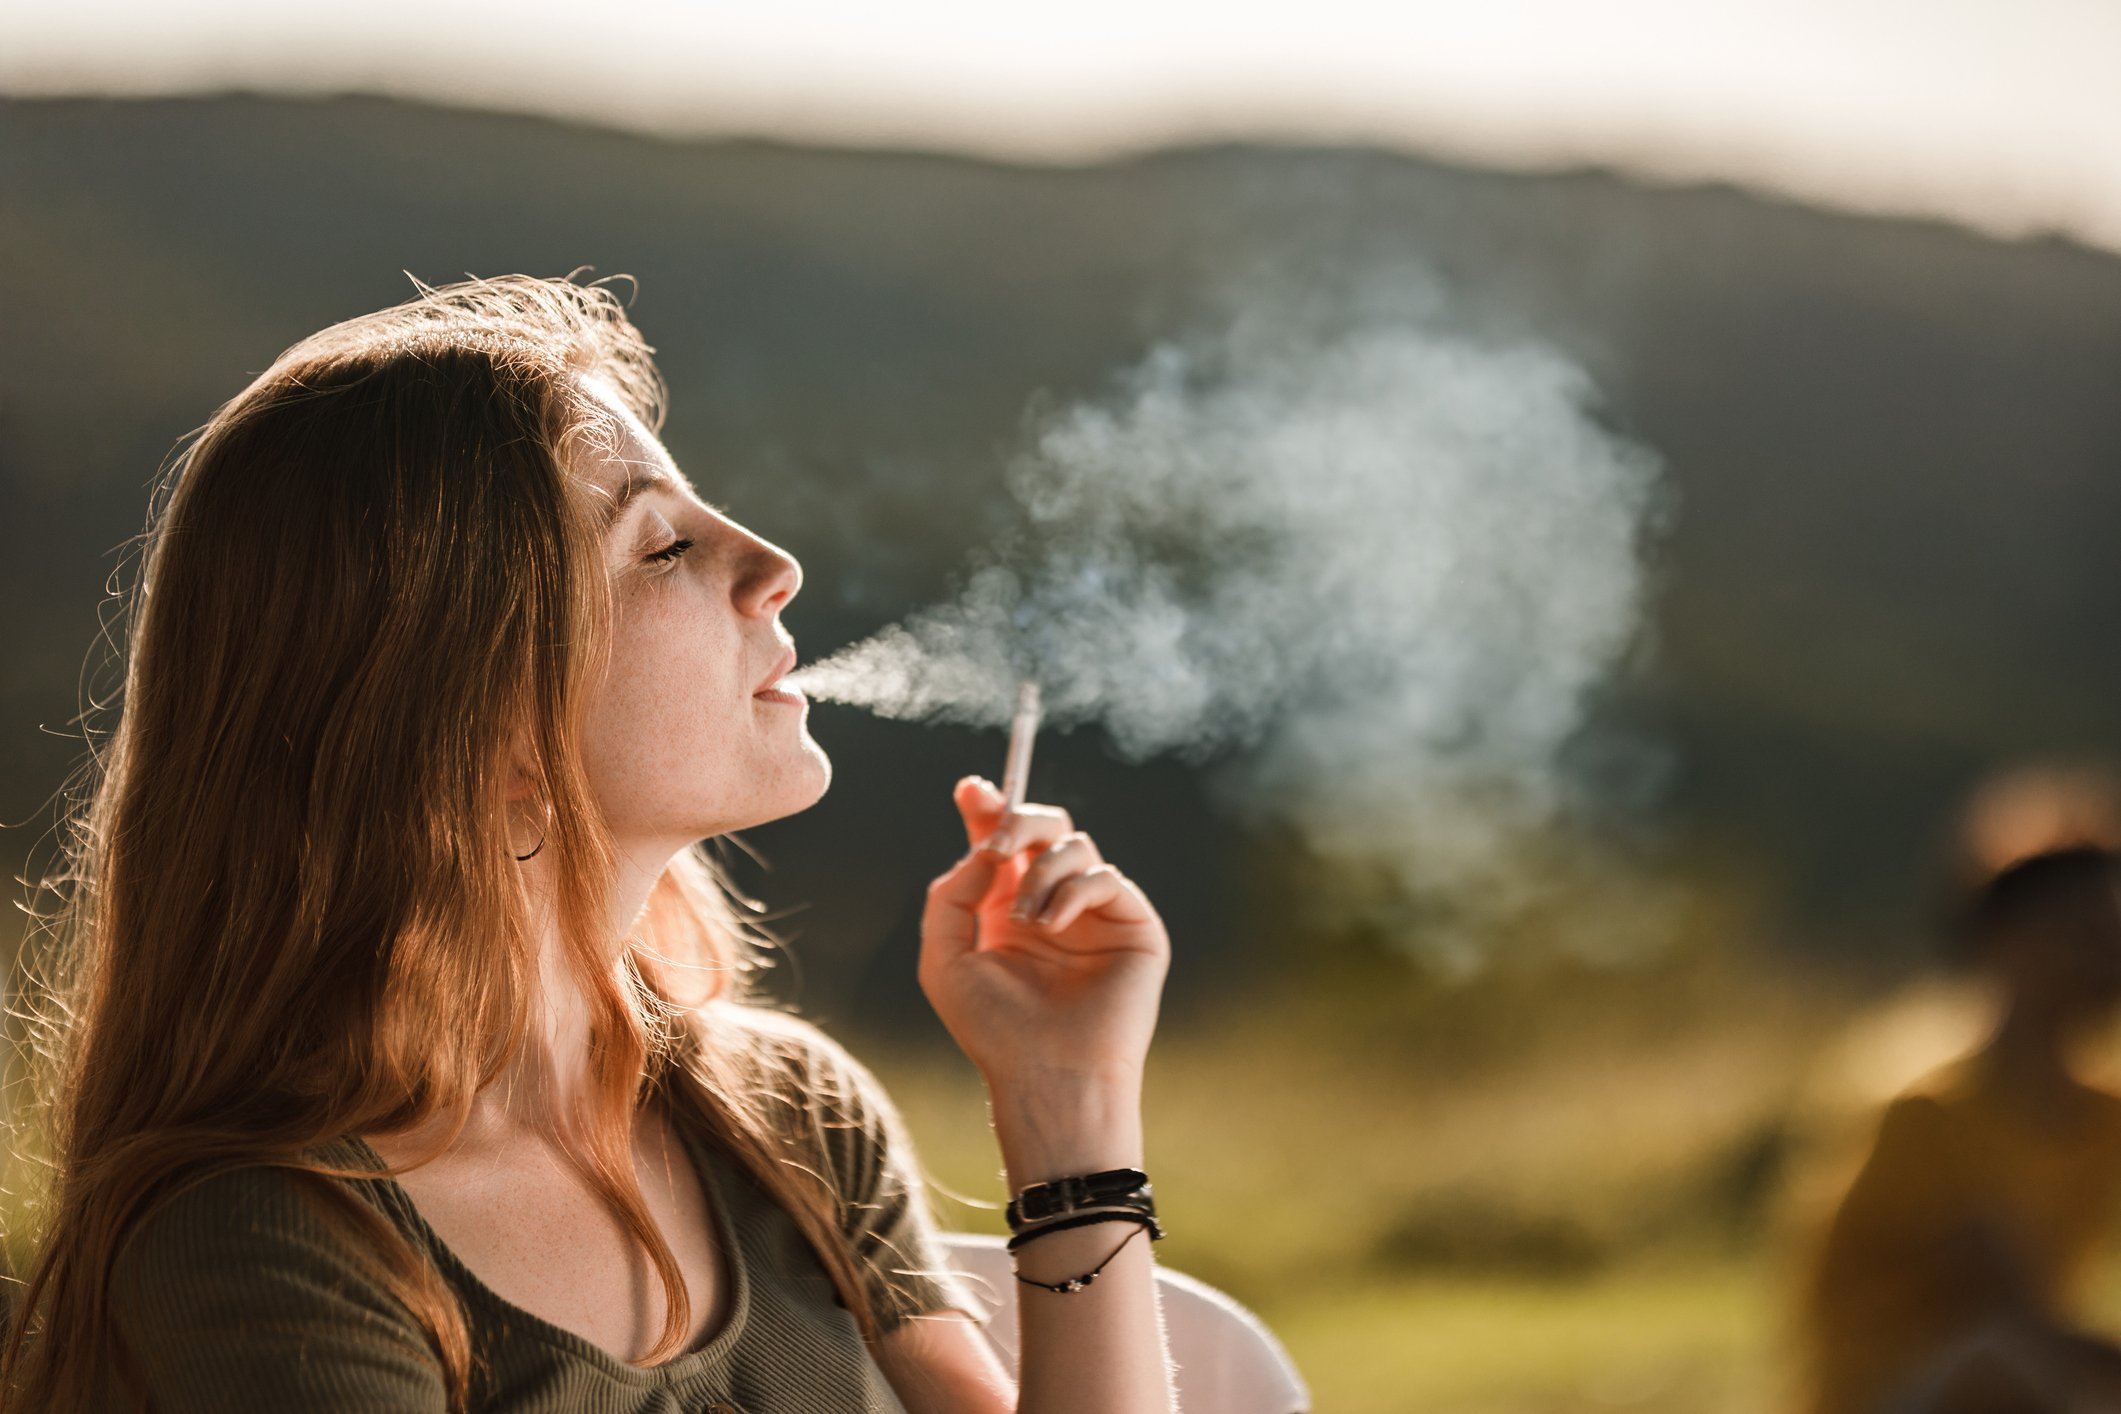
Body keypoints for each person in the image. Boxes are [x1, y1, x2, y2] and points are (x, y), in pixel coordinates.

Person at [0, 273, 1178, 1413]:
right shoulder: (265, 1249)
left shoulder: (790, 1117)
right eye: (663, 549)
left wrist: (1066, 1098)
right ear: (474, 726)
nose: (776, 567)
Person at [1797, 845, 2121, 1414]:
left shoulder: (2103, 1113)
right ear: (2007, 940)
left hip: (2025, 1370)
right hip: (1885, 1396)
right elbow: (2005, 1309)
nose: (2109, 951)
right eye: (2084, 928)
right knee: (1999, 1364)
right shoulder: (1929, 1113)